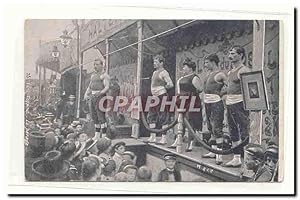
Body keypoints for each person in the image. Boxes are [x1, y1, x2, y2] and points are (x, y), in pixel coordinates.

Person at [223, 45, 251, 168]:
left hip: (239, 104)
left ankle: (248, 159)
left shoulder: (243, 70)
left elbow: (248, 90)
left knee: (243, 130)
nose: (230, 55)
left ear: (241, 55)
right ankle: (236, 158)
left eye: (234, 53)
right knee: (233, 130)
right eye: (230, 53)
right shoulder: (230, 72)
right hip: (230, 103)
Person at [170, 58, 202, 151]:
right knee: (181, 121)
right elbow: (179, 91)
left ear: (190, 68)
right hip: (182, 101)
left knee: (191, 121)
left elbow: (200, 89)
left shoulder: (194, 77)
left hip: (192, 101)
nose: (183, 68)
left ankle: (190, 143)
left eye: (185, 67)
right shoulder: (181, 79)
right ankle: (178, 140)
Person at [201, 54, 226, 165]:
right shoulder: (208, 74)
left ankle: (219, 155)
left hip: (216, 102)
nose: (205, 65)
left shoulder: (220, 74)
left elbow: (230, 86)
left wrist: (221, 93)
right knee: (210, 127)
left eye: (207, 62)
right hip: (207, 102)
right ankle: (213, 151)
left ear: (213, 62)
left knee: (217, 128)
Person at [147, 54, 174, 144]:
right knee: (151, 116)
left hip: (161, 96)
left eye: (156, 62)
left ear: (161, 63)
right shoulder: (154, 72)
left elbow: (170, 84)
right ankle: (153, 136)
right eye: (153, 62)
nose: (154, 64)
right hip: (154, 97)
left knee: (163, 116)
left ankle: (163, 138)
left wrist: (163, 88)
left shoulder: (164, 72)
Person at [84, 59, 110, 140]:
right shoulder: (93, 75)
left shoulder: (104, 75)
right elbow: (90, 86)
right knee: (94, 115)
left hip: (100, 97)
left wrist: (100, 93)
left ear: (102, 65)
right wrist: (86, 93)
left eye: (97, 64)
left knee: (101, 116)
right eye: (94, 64)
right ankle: (97, 134)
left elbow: (107, 87)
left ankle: (104, 135)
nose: (95, 66)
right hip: (92, 97)